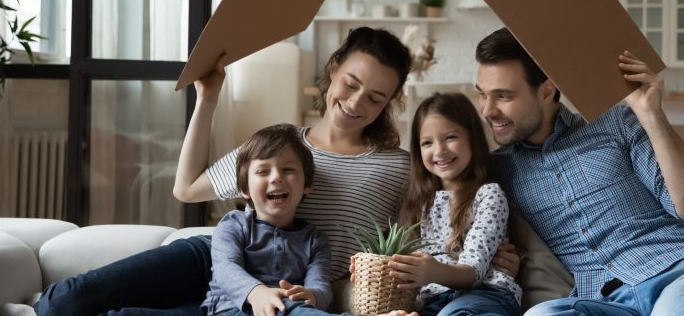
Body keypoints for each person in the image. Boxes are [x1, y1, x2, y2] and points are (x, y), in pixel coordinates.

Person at [35, 27, 415, 315]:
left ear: (388, 104)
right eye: (350, 84)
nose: (354, 102)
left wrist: (330, 296)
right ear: (333, 70)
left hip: (276, 295)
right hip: (217, 259)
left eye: (375, 98)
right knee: (65, 303)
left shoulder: (397, 167)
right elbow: (187, 187)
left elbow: (403, 252)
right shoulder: (282, 146)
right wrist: (208, 98)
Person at [473, 27, 684, 315]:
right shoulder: (497, 170)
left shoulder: (616, 124)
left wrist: (651, 115)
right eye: (482, 95)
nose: (487, 110)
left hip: (681, 274)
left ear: (547, 89)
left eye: (502, 96)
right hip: (604, 302)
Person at [388, 92, 521, 316]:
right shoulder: (420, 203)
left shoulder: (488, 195)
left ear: (472, 138)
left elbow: (473, 272)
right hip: (435, 301)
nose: (439, 150)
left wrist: (431, 271)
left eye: (450, 137)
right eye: (427, 142)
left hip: (484, 293)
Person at [203, 124, 332, 316]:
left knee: (293, 309)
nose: (276, 178)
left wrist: (312, 295)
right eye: (263, 171)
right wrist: (257, 293)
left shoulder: (315, 240)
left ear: (306, 185)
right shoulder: (233, 224)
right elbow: (225, 269)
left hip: (287, 307)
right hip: (232, 309)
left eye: (288, 169)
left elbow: (321, 286)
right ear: (245, 189)